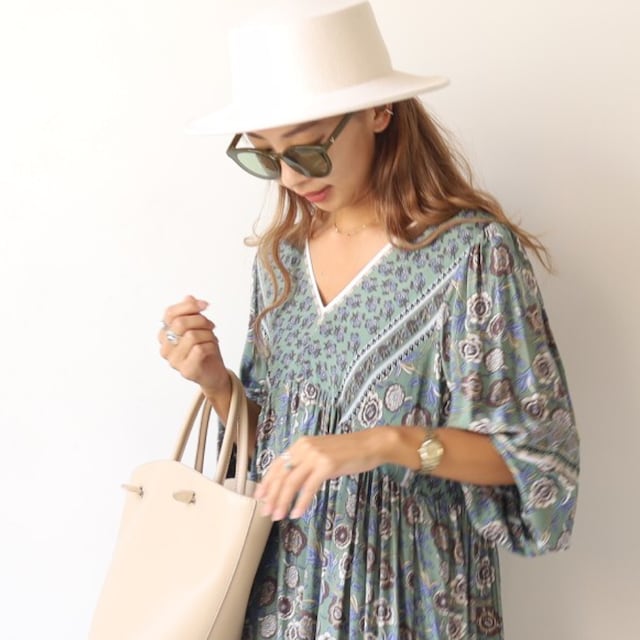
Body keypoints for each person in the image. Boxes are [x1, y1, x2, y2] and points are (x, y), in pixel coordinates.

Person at [159, 1, 579, 638]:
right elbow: (275, 448)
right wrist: (217, 383)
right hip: (284, 601)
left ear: (380, 112)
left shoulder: (471, 256)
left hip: (413, 601)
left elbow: (536, 458)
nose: (291, 177)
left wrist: (383, 443)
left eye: (308, 149)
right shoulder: (281, 263)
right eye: (266, 156)